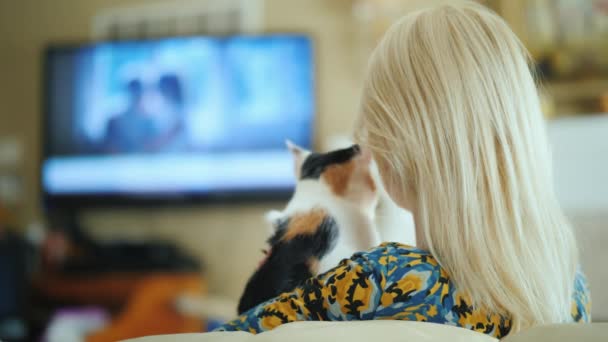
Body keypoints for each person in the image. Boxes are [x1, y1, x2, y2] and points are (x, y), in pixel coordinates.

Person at [213, 2, 591, 338]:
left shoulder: (383, 278)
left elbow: (235, 336)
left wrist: (273, 281)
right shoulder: (570, 289)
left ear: (393, 154)